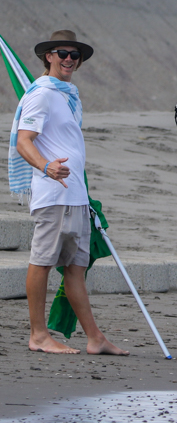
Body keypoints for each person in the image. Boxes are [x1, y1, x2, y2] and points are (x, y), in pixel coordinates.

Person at [10, 30, 127, 356]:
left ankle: (95, 337)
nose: (68, 60)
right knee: (42, 262)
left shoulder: (68, 94)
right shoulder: (43, 94)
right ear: (48, 56)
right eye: (62, 53)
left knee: (75, 268)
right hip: (53, 195)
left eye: (74, 55)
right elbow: (24, 141)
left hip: (75, 195)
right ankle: (38, 334)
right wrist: (47, 167)